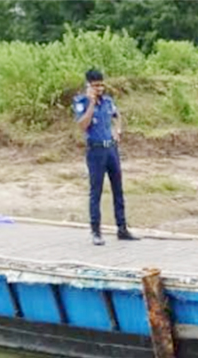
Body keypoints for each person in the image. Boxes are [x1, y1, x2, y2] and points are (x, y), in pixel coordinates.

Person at [73, 69, 137, 246]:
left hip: (111, 149)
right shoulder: (81, 102)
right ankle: (96, 231)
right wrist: (91, 103)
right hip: (95, 150)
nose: (99, 88)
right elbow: (82, 125)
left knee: (118, 189)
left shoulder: (108, 101)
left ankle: (122, 228)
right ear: (88, 86)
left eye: (101, 85)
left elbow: (117, 116)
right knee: (96, 191)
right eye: (95, 86)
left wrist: (118, 130)